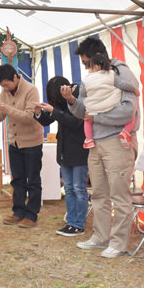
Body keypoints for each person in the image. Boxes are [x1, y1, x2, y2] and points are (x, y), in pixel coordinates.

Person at [63, 38, 140, 258]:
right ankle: (100, 236)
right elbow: (83, 111)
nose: (86, 68)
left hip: (118, 141)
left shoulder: (121, 72)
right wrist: (71, 101)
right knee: (98, 193)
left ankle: (119, 243)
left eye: (87, 63)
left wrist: (97, 117)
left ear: (99, 57)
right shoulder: (92, 78)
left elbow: (128, 111)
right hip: (95, 143)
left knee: (119, 194)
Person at [0, 64, 44, 228]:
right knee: (17, 180)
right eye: (2, 86)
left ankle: (32, 215)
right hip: (14, 142)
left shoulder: (31, 89)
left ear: (15, 77)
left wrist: (7, 108)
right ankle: (18, 212)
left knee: (33, 180)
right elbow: (0, 117)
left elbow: (28, 117)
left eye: (6, 84)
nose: (4, 88)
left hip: (32, 142)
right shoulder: (4, 92)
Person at [35, 76, 89, 236]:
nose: (53, 101)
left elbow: (75, 121)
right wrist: (38, 113)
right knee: (69, 188)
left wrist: (54, 111)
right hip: (64, 151)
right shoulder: (59, 102)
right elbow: (48, 120)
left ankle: (78, 224)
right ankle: (71, 221)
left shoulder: (77, 95)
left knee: (79, 189)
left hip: (79, 150)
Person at [81, 53, 139, 148]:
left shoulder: (86, 79)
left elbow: (82, 94)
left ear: (96, 67)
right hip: (111, 104)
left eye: (90, 67)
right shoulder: (110, 74)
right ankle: (125, 132)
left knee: (87, 120)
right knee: (132, 115)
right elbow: (122, 84)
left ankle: (89, 140)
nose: (88, 70)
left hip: (94, 107)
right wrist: (134, 89)